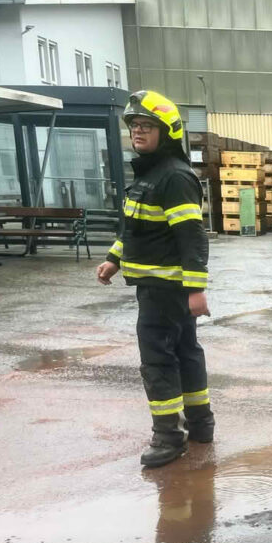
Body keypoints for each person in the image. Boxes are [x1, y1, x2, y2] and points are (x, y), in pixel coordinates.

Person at [96, 90, 213, 468]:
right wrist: (114, 258)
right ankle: (200, 423)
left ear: (168, 132)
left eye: (147, 126)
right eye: (134, 126)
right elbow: (136, 229)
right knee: (185, 353)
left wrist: (196, 288)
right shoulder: (150, 176)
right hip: (160, 287)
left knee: (159, 360)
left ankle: (168, 437)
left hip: (167, 290)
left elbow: (191, 237)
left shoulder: (174, 178)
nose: (138, 133)